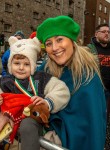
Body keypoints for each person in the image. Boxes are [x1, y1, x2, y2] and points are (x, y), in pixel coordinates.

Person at [0, 36, 70, 150]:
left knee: (27, 125)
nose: (21, 67)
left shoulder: (41, 78)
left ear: (33, 65)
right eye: (17, 63)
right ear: (10, 64)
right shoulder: (7, 80)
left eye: (26, 64)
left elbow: (62, 90)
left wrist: (47, 102)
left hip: (32, 119)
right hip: (13, 116)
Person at [36, 15, 106, 150]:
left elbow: (93, 123)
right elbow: (21, 89)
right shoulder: (45, 68)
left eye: (59, 40)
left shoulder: (88, 76)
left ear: (72, 41)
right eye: (49, 43)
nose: (55, 48)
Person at [87, 23, 110, 149]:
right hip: (97, 91)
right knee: (97, 118)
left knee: (107, 120)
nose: (107, 33)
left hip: (109, 91)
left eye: (108, 32)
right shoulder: (89, 49)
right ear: (96, 34)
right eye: (104, 31)